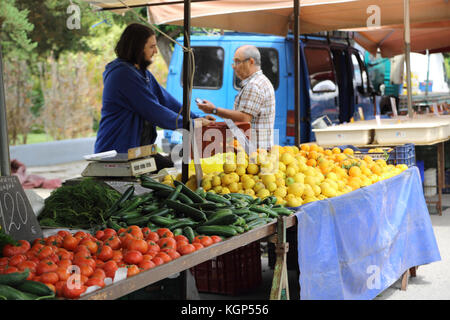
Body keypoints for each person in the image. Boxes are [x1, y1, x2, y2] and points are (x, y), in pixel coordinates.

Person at [94, 23, 214, 158]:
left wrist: (196, 117)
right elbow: (153, 111)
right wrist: (191, 124)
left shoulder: (141, 73)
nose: (156, 51)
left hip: (136, 152)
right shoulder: (123, 75)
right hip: (116, 152)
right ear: (137, 48)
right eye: (152, 46)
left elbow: (166, 101)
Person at [197, 45, 275, 150]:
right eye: (234, 62)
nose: (234, 66)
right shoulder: (260, 81)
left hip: (254, 151)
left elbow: (244, 118)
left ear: (251, 62)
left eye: (237, 62)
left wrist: (214, 110)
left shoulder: (254, 85)